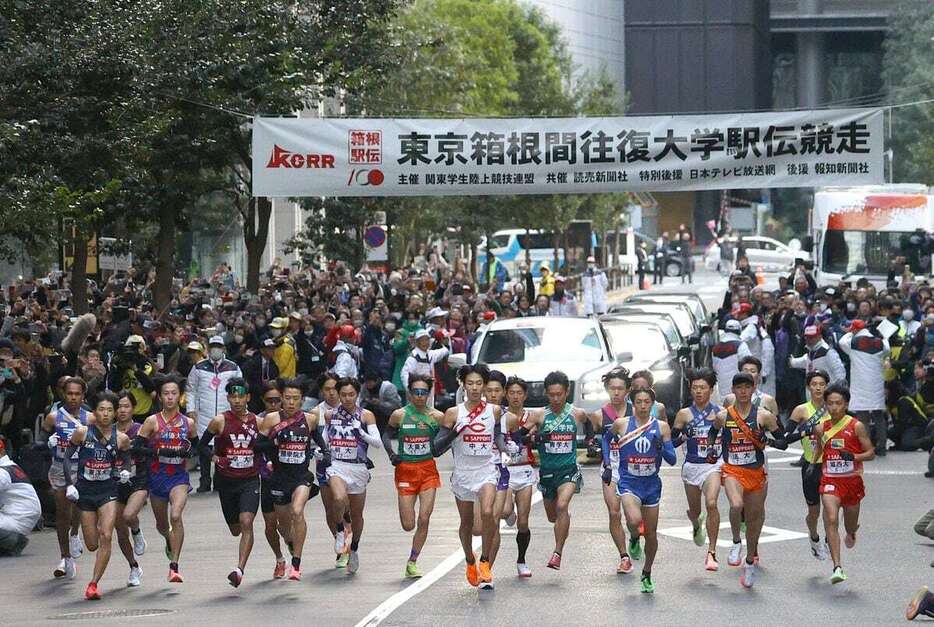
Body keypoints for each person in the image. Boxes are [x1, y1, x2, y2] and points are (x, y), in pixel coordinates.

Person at [706, 373, 798, 589]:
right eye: (739, 388)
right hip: (732, 470)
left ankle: (749, 561)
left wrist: (769, 441)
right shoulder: (723, 415)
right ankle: (736, 541)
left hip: (755, 472)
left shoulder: (764, 416)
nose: (743, 391)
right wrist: (711, 448)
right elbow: (713, 433)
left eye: (747, 387)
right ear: (733, 390)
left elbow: (783, 441)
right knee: (736, 505)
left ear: (753, 388)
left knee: (755, 520)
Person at [431, 364, 504, 590]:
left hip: (487, 469)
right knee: (467, 523)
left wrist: (506, 449)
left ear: (484, 385)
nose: (474, 388)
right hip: (463, 473)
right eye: (470, 383)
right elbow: (436, 449)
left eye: (478, 383)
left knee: (488, 513)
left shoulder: (494, 411)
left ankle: (484, 562)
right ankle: (470, 560)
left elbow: (498, 437)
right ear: (463, 384)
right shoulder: (453, 413)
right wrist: (455, 432)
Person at [516, 370, 589, 571]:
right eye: (551, 395)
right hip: (547, 473)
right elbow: (518, 438)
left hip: (569, 470)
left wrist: (591, 442)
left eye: (560, 394)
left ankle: (557, 553)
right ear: (546, 394)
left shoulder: (576, 413)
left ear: (566, 393)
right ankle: (562, 524)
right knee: (552, 517)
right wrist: (534, 439)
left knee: (562, 505)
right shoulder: (539, 415)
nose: (556, 399)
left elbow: (589, 423)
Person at [605, 387, 676, 593]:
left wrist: (661, 447)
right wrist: (608, 463)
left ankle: (647, 572)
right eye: (639, 402)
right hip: (629, 483)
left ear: (652, 404)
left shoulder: (661, 427)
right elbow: (606, 440)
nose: (643, 406)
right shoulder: (622, 424)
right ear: (633, 404)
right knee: (635, 521)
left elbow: (672, 460)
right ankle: (634, 536)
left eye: (647, 402)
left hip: (651, 486)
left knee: (652, 535)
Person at [259, 378, 330, 581]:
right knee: (283, 525)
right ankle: (290, 544)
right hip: (279, 478)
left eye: (295, 399)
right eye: (287, 398)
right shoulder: (272, 420)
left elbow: (318, 439)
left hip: (301, 477)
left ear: (302, 400)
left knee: (297, 511)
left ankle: (296, 564)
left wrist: (325, 452)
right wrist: (274, 442)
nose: (291, 403)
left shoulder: (310, 419)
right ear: (281, 398)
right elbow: (257, 446)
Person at [62, 392, 131, 600]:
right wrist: (69, 484)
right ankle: (79, 538)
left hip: (108, 491)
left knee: (106, 535)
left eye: (110, 410)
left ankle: (93, 584)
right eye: (102, 409)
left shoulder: (121, 438)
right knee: (92, 543)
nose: (106, 414)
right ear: (94, 412)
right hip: (85, 492)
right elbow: (67, 457)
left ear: (116, 413)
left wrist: (126, 470)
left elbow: (126, 457)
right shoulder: (82, 432)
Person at [197, 377, 261, 587]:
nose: (236, 400)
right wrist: (216, 458)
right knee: (236, 529)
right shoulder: (220, 421)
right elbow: (202, 445)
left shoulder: (257, 422)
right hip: (227, 482)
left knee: (246, 522)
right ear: (228, 398)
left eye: (240, 396)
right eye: (232, 396)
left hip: (250, 480)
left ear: (248, 397)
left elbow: (267, 445)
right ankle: (245, 541)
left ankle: (239, 570)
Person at [810, 382, 875, 584]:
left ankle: (852, 531)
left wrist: (853, 457)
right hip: (830, 481)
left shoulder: (856, 426)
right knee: (830, 517)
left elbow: (871, 453)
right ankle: (837, 567)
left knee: (849, 523)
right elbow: (820, 451)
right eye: (830, 404)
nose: (834, 407)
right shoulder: (821, 428)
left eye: (838, 403)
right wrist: (812, 465)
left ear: (845, 404)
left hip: (852, 482)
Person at [135, 376, 197, 583]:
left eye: (174, 393)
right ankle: (168, 540)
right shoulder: (152, 421)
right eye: (166, 394)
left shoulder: (188, 423)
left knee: (176, 516)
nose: (170, 398)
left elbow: (195, 447)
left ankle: (174, 567)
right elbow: (137, 448)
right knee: (162, 525)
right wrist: (158, 450)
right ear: (160, 397)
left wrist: (186, 451)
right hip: (157, 477)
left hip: (178, 477)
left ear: (180, 396)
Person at [382, 375, 443, 579]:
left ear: (428, 394)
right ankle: (412, 556)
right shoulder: (399, 415)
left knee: (424, 518)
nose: (419, 396)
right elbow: (385, 435)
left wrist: (439, 448)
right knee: (408, 524)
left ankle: (413, 561)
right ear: (409, 393)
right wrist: (392, 454)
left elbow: (449, 437)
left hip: (427, 471)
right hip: (405, 471)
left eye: (423, 392)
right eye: (415, 392)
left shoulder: (437, 417)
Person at [324, 378, 382, 574]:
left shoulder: (366, 415)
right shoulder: (330, 415)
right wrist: (321, 450)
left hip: (358, 468)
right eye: (343, 395)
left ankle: (354, 548)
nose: (347, 398)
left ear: (358, 394)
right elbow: (325, 439)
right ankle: (340, 530)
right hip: (337, 466)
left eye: (351, 394)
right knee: (339, 498)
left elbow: (377, 443)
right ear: (338, 395)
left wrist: (361, 434)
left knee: (357, 515)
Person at [671, 368, 723, 571]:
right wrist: (684, 436)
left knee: (711, 503)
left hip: (713, 466)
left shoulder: (720, 413)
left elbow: (728, 440)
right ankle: (695, 523)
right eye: (695, 388)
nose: (698, 391)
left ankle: (712, 552)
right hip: (692, 466)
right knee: (696, 511)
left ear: (711, 389)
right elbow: (672, 443)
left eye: (703, 388)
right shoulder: (684, 415)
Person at [39, 376, 91, 579]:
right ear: (64, 394)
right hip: (60, 467)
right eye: (69, 393)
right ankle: (65, 556)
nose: (73, 397)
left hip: (82, 469)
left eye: (77, 394)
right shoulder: (53, 417)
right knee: (62, 514)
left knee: (77, 507)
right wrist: (49, 442)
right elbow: (41, 439)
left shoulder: (90, 418)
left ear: (83, 395)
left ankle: (75, 534)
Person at [589, 367, 633, 575]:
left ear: (628, 390)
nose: (616, 393)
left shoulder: (638, 411)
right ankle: (624, 556)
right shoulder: (599, 416)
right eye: (612, 389)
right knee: (614, 513)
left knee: (634, 517)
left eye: (620, 389)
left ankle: (634, 536)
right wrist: (596, 449)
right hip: (611, 467)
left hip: (635, 468)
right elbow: (594, 439)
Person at [785, 370, 832, 561]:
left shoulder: (834, 407)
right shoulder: (801, 410)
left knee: (832, 511)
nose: (818, 387)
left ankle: (831, 540)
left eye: (822, 384)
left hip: (831, 465)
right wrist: (805, 433)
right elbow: (786, 437)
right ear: (808, 386)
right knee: (814, 512)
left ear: (827, 386)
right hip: (811, 466)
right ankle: (814, 537)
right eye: (814, 384)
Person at [187, 335, 242, 493]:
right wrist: (190, 409)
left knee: (222, 447)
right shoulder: (199, 368)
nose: (215, 350)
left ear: (223, 348)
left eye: (218, 346)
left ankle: (220, 480)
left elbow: (240, 389)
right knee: (204, 448)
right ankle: (204, 481)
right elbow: (191, 390)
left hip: (225, 413)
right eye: (213, 347)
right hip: (203, 414)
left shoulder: (233, 367)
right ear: (208, 349)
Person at [501, 376, 538, 578]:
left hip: (524, 470)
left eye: (519, 393)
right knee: (505, 510)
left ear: (525, 395)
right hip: (505, 470)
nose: (515, 397)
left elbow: (535, 438)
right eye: (512, 393)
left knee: (523, 522)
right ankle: (508, 514)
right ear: (506, 394)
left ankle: (521, 560)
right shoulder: (501, 415)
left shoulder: (533, 417)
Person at [838, 320, 891, 456]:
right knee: (879, 415)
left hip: (860, 384)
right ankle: (882, 446)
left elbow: (841, 341)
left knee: (863, 417)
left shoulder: (852, 343)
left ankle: (866, 447)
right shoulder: (880, 343)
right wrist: (884, 336)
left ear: (855, 329)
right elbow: (887, 349)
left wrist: (849, 333)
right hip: (876, 384)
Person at [113, 391, 147, 587]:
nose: (122, 410)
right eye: (119, 407)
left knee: (128, 515)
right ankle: (134, 567)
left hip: (138, 480)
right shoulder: (108, 431)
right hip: (115, 483)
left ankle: (137, 530)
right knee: (120, 531)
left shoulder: (141, 429)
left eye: (126, 406)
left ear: (133, 408)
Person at [0, 436, 41, 557]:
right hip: (19, 518)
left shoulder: (3, 472)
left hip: (15, 519)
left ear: (2, 451)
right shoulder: (11, 466)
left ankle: (11, 540)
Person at [400, 329, 450, 408]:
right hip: (416, 394)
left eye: (426, 340)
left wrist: (445, 344)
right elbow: (405, 374)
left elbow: (443, 352)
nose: (425, 343)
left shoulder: (430, 354)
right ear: (417, 342)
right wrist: (409, 390)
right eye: (422, 340)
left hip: (428, 394)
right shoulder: (413, 357)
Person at [712, 320, 751, 399]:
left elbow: (715, 368)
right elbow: (749, 365)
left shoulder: (715, 348)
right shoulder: (741, 345)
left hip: (722, 389)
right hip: (739, 389)